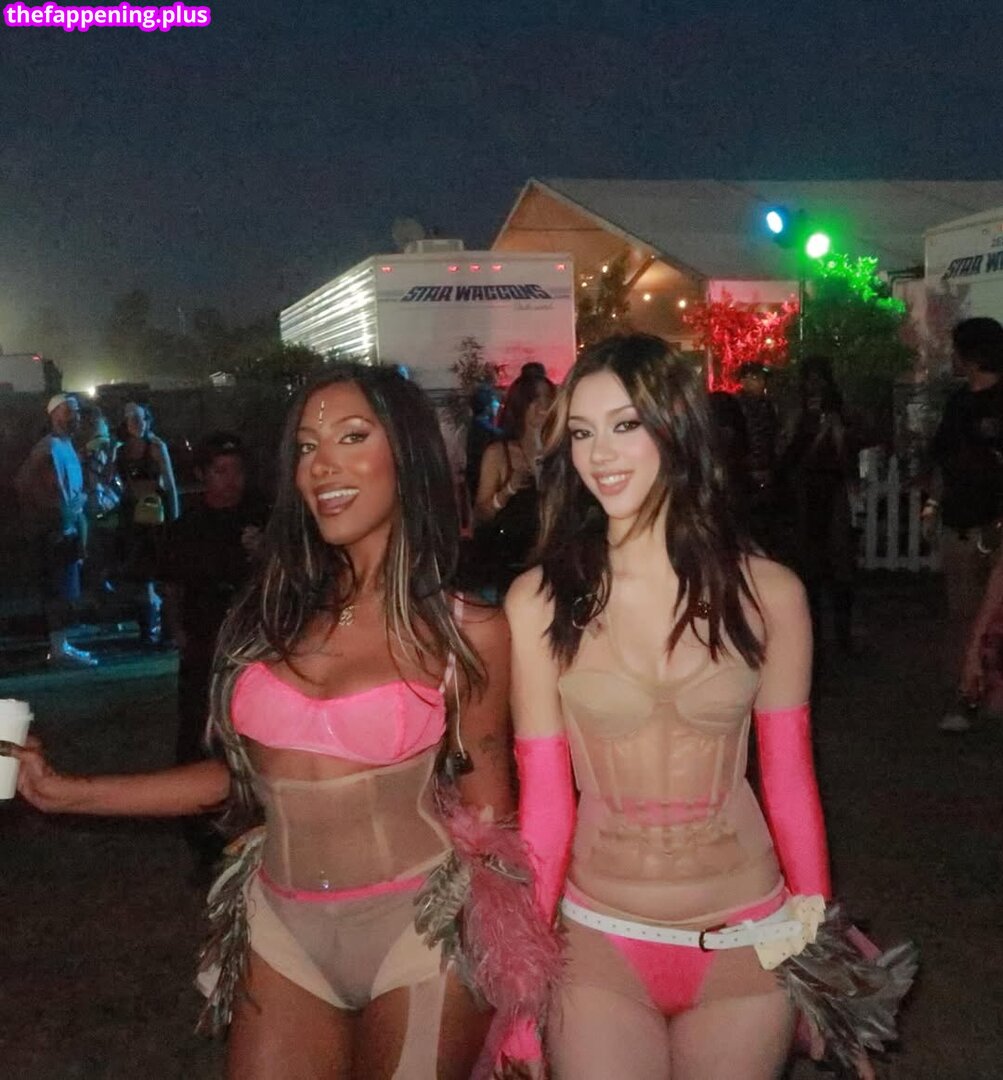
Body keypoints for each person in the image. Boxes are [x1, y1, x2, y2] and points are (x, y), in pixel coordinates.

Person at [7, 364, 521, 1079]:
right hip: (282, 928)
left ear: (406, 454)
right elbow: (241, 778)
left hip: (421, 931)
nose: (322, 465)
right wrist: (68, 791)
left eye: (351, 437)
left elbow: (491, 811)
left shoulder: (468, 629)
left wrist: (521, 992)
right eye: (307, 446)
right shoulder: (277, 611)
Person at [504, 335, 905, 1079]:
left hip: (746, 939)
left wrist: (818, 958)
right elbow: (546, 805)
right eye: (582, 433)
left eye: (625, 424)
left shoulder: (769, 595)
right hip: (597, 939)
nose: (600, 454)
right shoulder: (540, 603)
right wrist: (521, 989)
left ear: (677, 428)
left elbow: (789, 782)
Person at [161, 432, 268, 872]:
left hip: (253, 645)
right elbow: (171, 583)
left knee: (254, 736)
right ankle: (204, 839)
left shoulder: (261, 518)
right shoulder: (187, 526)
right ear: (203, 474)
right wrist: (177, 630)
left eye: (237, 470)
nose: (231, 480)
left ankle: (255, 829)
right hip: (205, 644)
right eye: (221, 471)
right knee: (199, 735)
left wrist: (264, 554)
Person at [926, 317, 1003, 732]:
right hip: (961, 520)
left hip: (996, 523)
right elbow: (943, 459)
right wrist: (933, 505)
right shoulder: (958, 403)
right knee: (964, 614)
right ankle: (968, 691)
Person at [780, 356, 858, 658]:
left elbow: (848, 453)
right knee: (808, 568)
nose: (814, 386)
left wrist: (837, 431)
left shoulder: (838, 413)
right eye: (809, 379)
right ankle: (813, 635)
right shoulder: (796, 413)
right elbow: (786, 455)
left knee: (839, 569)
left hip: (832, 494)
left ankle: (842, 636)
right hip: (803, 494)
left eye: (819, 379)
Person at [14, 393, 97, 667]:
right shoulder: (47, 447)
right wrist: (52, 512)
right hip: (55, 531)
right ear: (54, 415)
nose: (76, 417)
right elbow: (23, 483)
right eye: (69, 411)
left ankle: (61, 644)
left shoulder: (66, 445)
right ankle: (59, 649)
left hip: (66, 527)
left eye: (77, 412)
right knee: (58, 591)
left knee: (66, 588)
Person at [471, 367, 555, 596]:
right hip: (512, 561)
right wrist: (508, 489)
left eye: (547, 399)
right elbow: (480, 514)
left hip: (552, 560)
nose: (542, 407)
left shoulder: (558, 453)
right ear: (521, 405)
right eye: (535, 400)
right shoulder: (499, 453)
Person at [114, 401, 179, 645]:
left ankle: (165, 628)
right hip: (133, 516)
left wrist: (174, 519)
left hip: (155, 515)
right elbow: (117, 482)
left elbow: (169, 483)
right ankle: (147, 628)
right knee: (140, 575)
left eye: (140, 418)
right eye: (131, 419)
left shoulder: (156, 447)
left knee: (159, 572)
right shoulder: (121, 451)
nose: (136, 424)